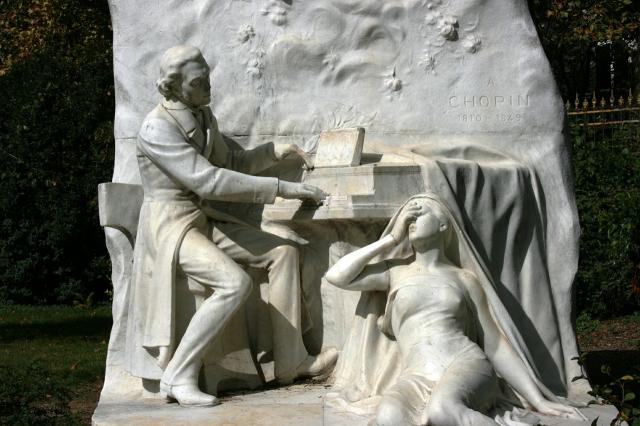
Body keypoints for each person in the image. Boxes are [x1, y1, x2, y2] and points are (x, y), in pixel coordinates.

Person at [125, 45, 338, 407]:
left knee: (283, 252)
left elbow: (229, 164)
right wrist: (282, 188)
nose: (208, 85)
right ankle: (178, 376)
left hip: (201, 219)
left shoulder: (203, 115)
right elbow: (208, 181)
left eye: (208, 77)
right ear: (173, 86)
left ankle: (291, 360)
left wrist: (272, 152)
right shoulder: (156, 127)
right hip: (170, 228)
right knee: (233, 283)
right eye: (199, 81)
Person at [325, 194, 584, 425]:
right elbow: (337, 276)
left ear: (443, 225)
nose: (410, 218)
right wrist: (391, 239)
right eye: (407, 214)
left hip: (465, 363)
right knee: (388, 417)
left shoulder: (464, 279)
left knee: (443, 412)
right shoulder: (395, 272)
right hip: (416, 374)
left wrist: (537, 400)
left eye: (420, 211)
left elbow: (494, 344)